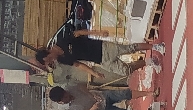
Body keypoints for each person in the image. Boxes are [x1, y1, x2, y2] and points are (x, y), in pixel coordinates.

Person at [35, 31, 165, 82]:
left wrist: (96, 33)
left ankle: (155, 47)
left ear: (48, 52)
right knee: (125, 71)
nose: (52, 61)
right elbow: (78, 64)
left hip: (102, 48)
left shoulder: (61, 41)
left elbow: (78, 33)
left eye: (49, 59)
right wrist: (93, 73)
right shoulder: (62, 60)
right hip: (100, 61)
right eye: (49, 62)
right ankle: (149, 61)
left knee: (130, 48)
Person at [49, 84, 153, 110]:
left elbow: (81, 86)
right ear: (60, 102)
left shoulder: (68, 87)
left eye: (67, 94)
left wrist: (91, 94)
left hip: (102, 96)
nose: (68, 96)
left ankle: (149, 93)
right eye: (66, 98)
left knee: (124, 94)